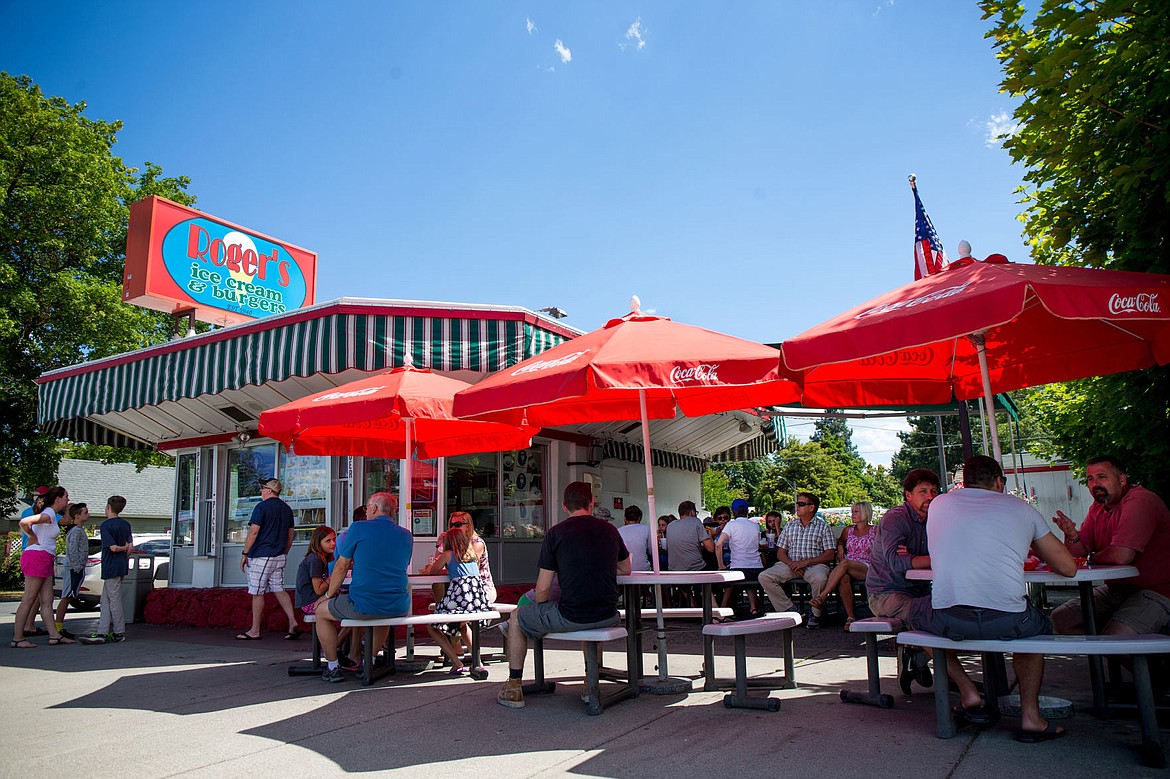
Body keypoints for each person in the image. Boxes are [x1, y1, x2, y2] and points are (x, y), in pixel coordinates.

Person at [910, 456, 1076, 742]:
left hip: (950, 620)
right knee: (1037, 628)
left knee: (912, 616)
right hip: (1008, 621)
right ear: (999, 481)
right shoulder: (1021, 508)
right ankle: (1031, 718)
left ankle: (968, 691)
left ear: (962, 483)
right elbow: (1068, 568)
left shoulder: (939, 504)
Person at [497, 481, 631, 709]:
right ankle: (590, 685)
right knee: (590, 625)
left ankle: (513, 687)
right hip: (609, 614)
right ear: (592, 502)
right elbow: (626, 568)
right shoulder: (610, 530)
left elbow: (543, 588)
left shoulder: (555, 533)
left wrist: (540, 610)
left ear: (564, 506)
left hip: (572, 615)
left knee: (518, 617)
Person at [1051, 456, 1170, 636]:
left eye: (1102, 477)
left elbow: (1121, 556)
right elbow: (1079, 554)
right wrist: (1072, 536)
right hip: (1117, 589)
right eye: (1090, 479)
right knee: (1061, 618)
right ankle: (1119, 656)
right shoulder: (1098, 507)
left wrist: (1091, 557)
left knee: (1115, 637)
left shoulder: (1139, 501)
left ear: (1122, 480)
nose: (1095, 483)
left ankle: (1149, 662)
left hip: (1158, 590)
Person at [313, 492, 412, 683]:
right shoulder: (406, 535)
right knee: (384, 617)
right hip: (398, 605)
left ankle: (333, 667)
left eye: (367, 507)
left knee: (320, 612)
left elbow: (341, 566)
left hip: (364, 603)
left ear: (374, 508)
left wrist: (328, 595)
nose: (366, 511)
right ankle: (370, 661)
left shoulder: (358, 528)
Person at [866, 468, 939, 695]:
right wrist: (935, 557)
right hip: (885, 593)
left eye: (934, 491)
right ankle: (959, 683)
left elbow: (954, 548)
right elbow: (898, 563)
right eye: (923, 491)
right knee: (929, 616)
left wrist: (916, 559)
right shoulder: (895, 518)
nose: (930, 496)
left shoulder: (937, 519)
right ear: (908, 495)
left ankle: (916, 654)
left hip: (920, 590)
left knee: (954, 611)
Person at [423, 512, 491, 676]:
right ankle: (477, 661)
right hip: (476, 600)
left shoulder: (448, 554)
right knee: (461, 624)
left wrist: (442, 553)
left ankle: (456, 661)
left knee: (433, 627)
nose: (454, 527)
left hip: (459, 598)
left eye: (458, 524)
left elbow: (433, 572)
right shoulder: (472, 553)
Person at [758, 492, 835, 629]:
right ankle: (790, 610)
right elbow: (780, 552)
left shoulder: (824, 527)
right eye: (797, 503)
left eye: (801, 504)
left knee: (820, 578)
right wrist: (791, 564)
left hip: (814, 565)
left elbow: (829, 554)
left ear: (811, 507)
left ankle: (815, 614)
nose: (797, 506)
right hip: (791, 564)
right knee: (765, 576)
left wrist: (805, 563)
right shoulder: (790, 526)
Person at [237, 478, 300, 641]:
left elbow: (253, 532)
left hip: (262, 554)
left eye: (263, 488)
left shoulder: (261, 507)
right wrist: (284, 551)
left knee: (257, 592)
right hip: (279, 555)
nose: (261, 491)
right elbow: (290, 535)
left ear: (270, 490)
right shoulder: (286, 509)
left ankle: (255, 630)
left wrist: (245, 553)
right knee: (278, 588)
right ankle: (293, 621)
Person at [13, 486, 74, 648]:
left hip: (45, 558)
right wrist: (32, 537)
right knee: (29, 598)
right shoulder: (48, 513)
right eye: (66, 497)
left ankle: (54, 635)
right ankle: (18, 638)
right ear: (58, 499)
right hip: (37, 557)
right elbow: (24, 522)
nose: (68, 499)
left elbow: (66, 521)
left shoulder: (53, 514)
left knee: (47, 600)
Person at [810, 500, 875, 630]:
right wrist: (840, 547)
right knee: (843, 579)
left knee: (844, 563)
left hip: (867, 566)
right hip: (848, 566)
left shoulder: (875, 530)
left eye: (856, 511)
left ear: (865, 513)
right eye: (852, 511)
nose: (853, 514)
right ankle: (850, 617)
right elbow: (840, 541)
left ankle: (822, 596)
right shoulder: (848, 530)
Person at [80, 496, 133, 644]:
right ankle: (102, 631)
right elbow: (130, 547)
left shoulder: (106, 526)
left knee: (114, 599)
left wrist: (121, 549)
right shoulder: (126, 525)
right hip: (121, 565)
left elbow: (114, 548)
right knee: (105, 600)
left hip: (111, 566)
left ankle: (119, 631)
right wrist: (125, 554)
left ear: (108, 507)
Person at [716, 498, 765, 616]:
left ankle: (723, 608)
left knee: (729, 580)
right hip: (757, 568)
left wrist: (720, 565)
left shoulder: (731, 525)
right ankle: (753, 607)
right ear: (747, 511)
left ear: (733, 512)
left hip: (739, 569)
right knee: (748, 579)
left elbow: (718, 545)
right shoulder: (755, 526)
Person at [53, 502, 91, 640]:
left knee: (69, 595)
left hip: (76, 567)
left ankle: (59, 626)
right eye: (85, 512)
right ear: (77, 516)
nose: (88, 514)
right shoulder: (75, 531)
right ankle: (58, 627)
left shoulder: (79, 530)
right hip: (72, 568)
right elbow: (73, 550)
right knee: (66, 596)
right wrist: (77, 566)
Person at [295, 526, 336, 616]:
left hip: (315, 600)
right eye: (328, 541)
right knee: (348, 607)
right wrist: (333, 577)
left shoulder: (321, 558)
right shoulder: (315, 560)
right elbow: (318, 590)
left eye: (334, 539)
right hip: (310, 603)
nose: (333, 543)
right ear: (318, 543)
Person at [617, 505, 653, 572]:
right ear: (639, 518)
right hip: (643, 570)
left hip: (624, 571)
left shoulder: (618, 531)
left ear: (625, 519)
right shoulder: (646, 529)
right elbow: (651, 551)